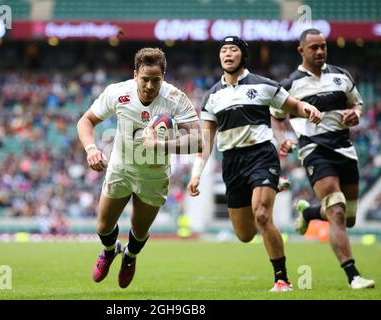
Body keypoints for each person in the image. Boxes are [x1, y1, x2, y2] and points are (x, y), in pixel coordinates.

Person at [187, 36, 322, 292]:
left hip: (261, 155)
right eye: (223, 50)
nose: (227, 54)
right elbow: (206, 140)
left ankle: (282, 278)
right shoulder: (211, 96)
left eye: (233, 49)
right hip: (232, 163)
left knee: (262, 215)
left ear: (243, 56)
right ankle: (269, 184)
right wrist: (196, 174)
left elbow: (292, 104)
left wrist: (307, 109)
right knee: (245, 235)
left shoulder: (264, 85)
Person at [77, 48, 202, 288]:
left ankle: (130, 257)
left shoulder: (175, 98)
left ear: (163, 77)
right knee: (103, 226)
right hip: (121, 166)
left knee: (140, 229)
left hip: (154, 174)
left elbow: (198, 141)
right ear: (135, 75)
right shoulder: (117, 92)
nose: (150, 85)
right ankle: (109, 249)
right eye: (145, 79)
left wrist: (162, 144)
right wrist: (91, 149)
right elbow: (86, 120)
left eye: (156, 80)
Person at [271, 28, 375, 289]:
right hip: (314, 150)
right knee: (337, 209)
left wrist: (356, 114)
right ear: (301, 51)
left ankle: (310, 212)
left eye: (323, 47)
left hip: (345, 149)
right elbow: (275, 114)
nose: (319, 51)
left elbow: (358, 104)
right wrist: (282, 137)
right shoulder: (291, 84)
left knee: (348, 218)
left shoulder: (341, 76)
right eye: (314, 47)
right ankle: (354, 276)